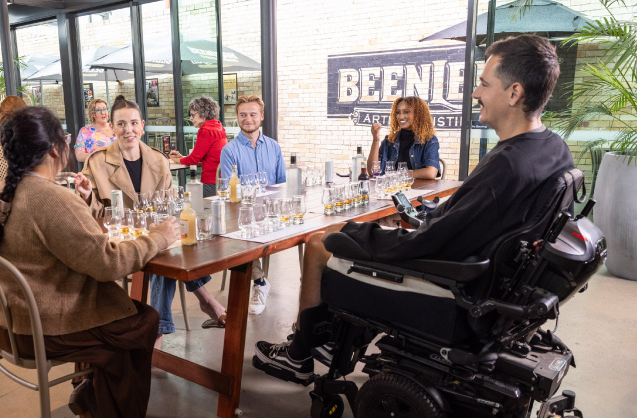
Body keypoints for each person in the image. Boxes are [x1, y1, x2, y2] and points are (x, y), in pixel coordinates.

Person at [253, 34, 574, 382]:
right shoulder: (553, 149)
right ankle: (330, 338)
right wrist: (419, 222)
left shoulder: (507, 165)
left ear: (514, 93)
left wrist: (360, 233)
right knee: (361, 234)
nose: (475, 93)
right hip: (489, 280)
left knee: (320, 242)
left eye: (484, 83)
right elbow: (461, 224)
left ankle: (300, 355)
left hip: (452, 289)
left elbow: (428, 243)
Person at [0, 106, 180, 418]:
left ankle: (91, 393)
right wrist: (159, 238)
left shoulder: (4, 189)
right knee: (143, 321)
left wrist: (85, 204)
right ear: (53, 149)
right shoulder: (50, 197)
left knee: (119, 323)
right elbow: (107, 264)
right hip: (40, 329)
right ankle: (104, 403)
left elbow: (72, 241)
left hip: (5, 322)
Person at [77, 95, 227, 348]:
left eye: (134, 123)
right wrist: (87, 195)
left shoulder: (159, 160)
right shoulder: (97, 162)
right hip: (119, 241)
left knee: (165, 245)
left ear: (143, 125)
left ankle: (157, 330)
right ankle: (201, 303)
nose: (128, 130)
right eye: (121, 124)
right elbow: (90, 217)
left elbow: (168, 208)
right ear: (112, 127)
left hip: (153, 239)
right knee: (163, 248)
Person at [218, 95, 286, 316]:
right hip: (243, 213)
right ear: (237, 117)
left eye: (252, 114)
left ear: (261, 117)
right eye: (243, 115)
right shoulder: (229, 151)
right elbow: (230, 192)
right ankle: (260, 281)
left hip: (272, 212)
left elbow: (282, 185)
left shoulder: (274, 147)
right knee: (238, 238)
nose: (248, 119)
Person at [168, 96, 228, 197]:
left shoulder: (206, 130)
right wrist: (182, 158)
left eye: (193, 115)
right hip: (222, 181)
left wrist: (174, 159)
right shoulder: (218, 127)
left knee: (185, 200)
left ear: (203, 115)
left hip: (211, 183)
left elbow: (193, 160)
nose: (191, 118)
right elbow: (205, 157)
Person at [368, 96, 440, 179]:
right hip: (391, 189)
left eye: (406, 112)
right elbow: (372, 172)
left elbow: (430, 173)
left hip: (417, 189)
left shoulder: (429, 140)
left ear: (418, 115)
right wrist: (375, 140)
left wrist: (398, 174)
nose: (401, 117)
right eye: (398, 112)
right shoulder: (390, 140)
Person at [74, 98, 116, 163]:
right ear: (93, 113)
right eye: (99, 110)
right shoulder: (85, 132)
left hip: (119, 170)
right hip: (96, 171)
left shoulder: (116, 127)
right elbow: (79, 156)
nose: (103, 113)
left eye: (105, 109)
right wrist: (98, 157)